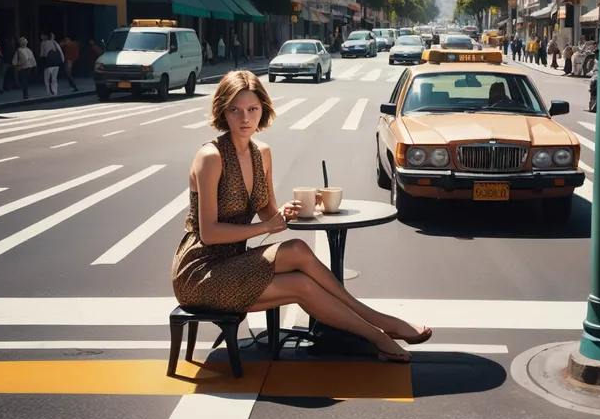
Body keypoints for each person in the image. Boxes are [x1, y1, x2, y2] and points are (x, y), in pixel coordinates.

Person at [171, 71, 431, 363]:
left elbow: (268, 212)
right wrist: (266, 226)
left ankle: (378, 321)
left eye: (252, 109)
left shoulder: (261, 153)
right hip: (202, 271)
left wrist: (292, 210)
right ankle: (379, 334)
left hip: (235, 261)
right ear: (223, 111)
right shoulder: (211, 156)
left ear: (263, 111)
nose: (245, 118)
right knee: (301, 285)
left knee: (296, 249)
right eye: (235, 110)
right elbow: (209, 233)